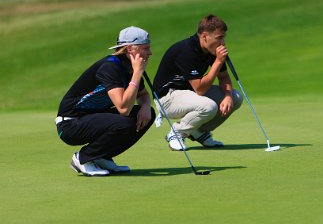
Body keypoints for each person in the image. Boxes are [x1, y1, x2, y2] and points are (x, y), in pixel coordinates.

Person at [55, 26, 155, 176]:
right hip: (70, 124)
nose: (150, 53)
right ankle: (83, 158)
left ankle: (101, 157)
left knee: (148, 115)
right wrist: (138, 72)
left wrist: (146, 107)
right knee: (124, 122)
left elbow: (143, 95)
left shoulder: (129, 68)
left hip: (92, 119)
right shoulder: (110, 67)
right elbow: (123, 108)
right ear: (129, 49)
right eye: (145, 48)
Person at [152, 14, 243, 151]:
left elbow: (224, 77)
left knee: (236, 98)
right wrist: (218, 61)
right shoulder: (187, 50)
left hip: (189, 93)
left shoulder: (212, 50)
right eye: (219, 38)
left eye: (223, 37)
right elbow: (200, 89)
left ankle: (197, 131)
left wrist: (228, 95)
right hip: (167, 98)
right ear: (205, 36)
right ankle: (177, 133)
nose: (223, 43)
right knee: (208, 106)